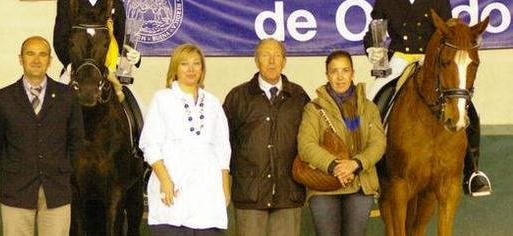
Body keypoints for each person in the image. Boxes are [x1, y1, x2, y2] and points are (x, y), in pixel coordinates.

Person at [363, 0, 491, 196]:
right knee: (372, 100)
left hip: (429, 60)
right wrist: (374, 52)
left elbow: (446, 33)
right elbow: (374, 32)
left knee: (470, 108)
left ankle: (472, 171)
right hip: (399, 58)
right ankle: (371, 170)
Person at [0, 36, 83, 236]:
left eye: (42, 54)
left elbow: (76, 141)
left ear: (50, 60)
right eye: (30, 54)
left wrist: (63, 168)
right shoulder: (3, 98)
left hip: (56, 190)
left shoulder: (68, 96)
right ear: (20, 58)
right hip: (17, 190)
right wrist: (13, 169)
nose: (36, 60)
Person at [139, 43, 231, 235]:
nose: (190, 69)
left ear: (202, 69)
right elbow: (150, 144)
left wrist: (224, 188)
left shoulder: (213, 103)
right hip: (173, 192)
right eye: (184, 64)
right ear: (175, 68)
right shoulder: (162, 99)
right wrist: (165, 180)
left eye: (196, 64)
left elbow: (222, 148)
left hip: (207, 195)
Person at [223, 38, 310, 236]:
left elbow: (309, 141)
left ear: (284, 61)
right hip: (250, 195)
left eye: (276, 56)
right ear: (256, 61)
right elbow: (224, 143)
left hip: (288, 193)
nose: (271, 61)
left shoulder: (299, 96)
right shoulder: (237, 97)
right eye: (265, 55)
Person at [297, 50, 386, 236]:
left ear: (353, 73)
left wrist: (355, 164)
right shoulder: (314, 108)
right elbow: (306, 145)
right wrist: (335, 167)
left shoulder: (369, 108)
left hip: (361, 184)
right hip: (324, 187)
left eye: (344, 70)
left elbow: (378, 144)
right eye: (334, 71)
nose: (339, 77)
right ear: (327, 75)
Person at [53, 0, 140, 82]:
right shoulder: (66, 4)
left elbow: (122, 39)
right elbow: (60, 40)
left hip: (109, 70)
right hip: (76, 69)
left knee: (132, 100)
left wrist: (134, 56)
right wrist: (72, 66)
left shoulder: (116, 5)